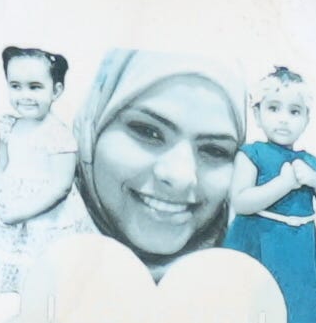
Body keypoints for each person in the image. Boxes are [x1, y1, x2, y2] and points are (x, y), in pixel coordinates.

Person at [60, 52, 245, 274]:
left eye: (214, 150)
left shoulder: (251, 278)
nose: (180, 176)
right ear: (94, 129)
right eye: (148, 132)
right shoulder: (23, 255)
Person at [237, 66, 316, 323]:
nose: (283, 118)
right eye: (273, 108)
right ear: (257, 115)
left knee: (287, 298)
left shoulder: (309, 162)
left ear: (307, 119)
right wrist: (283, 184)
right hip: (261, 239)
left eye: (295, 111)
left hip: (297, 245)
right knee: (257, 297)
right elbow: (241, 201)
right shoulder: (251, 154)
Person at [0, 45, 73, 295]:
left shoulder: (57, 134)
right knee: (24, 270)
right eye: (15, 86)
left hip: (46, 219)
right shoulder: (10, 126)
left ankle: (51, 320)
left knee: (47, 272)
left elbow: (60, 186)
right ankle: (28, 315)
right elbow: (1, 166)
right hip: (15, 218)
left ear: (56, 90)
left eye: (35, 87)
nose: (24, 95)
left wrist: (20, 213)